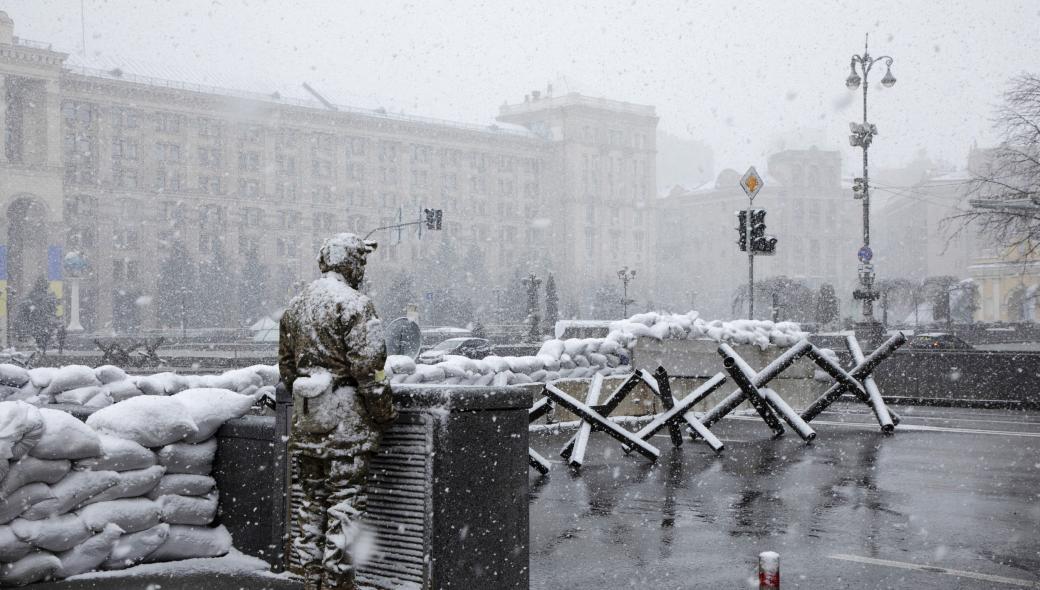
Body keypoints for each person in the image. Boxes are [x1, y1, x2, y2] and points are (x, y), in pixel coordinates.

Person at [278, 233, 397, 590]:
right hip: (347, 427)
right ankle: (337, 584)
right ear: (349, 263)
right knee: (345, 509)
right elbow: (372, 370)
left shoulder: (295, 307)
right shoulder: (356, 305)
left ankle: (309, 579)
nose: (362, 268)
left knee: (311, 505)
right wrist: (383, 412)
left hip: (307, 422)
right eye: (360, 261)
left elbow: (286, 371)